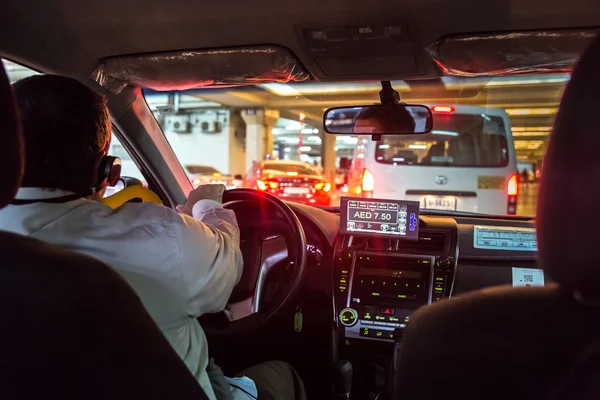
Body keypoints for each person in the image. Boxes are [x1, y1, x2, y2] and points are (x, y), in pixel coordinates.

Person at [0, 74, 306, 400]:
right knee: (282, 375)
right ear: (108, 171)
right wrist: (207, 203)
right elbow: (227, 268)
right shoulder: (157, 237)